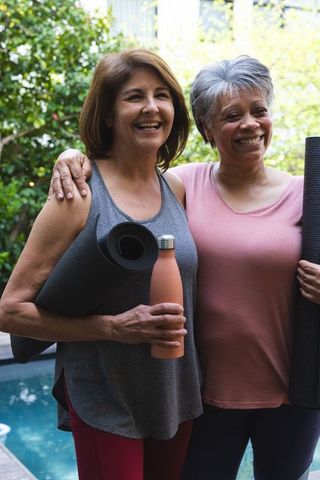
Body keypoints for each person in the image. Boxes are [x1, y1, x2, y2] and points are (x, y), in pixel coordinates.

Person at [50, 54, 320, 480]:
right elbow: (121, 184)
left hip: (292, 397)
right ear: (207, 128)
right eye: (232, 115)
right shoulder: (181, 185)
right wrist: (73, 156)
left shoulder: (308, 194)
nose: (249, 124)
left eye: (259, 111)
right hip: (202, 398)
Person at [0, 48, 203, 480]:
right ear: (109, 114)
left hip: (174, 389)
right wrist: (112, 328)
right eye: (134, 97)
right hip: (105, 393)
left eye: (162, 95)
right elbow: (9, 309)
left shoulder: (178, 188)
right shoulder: (78, 195)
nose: (151, 107)